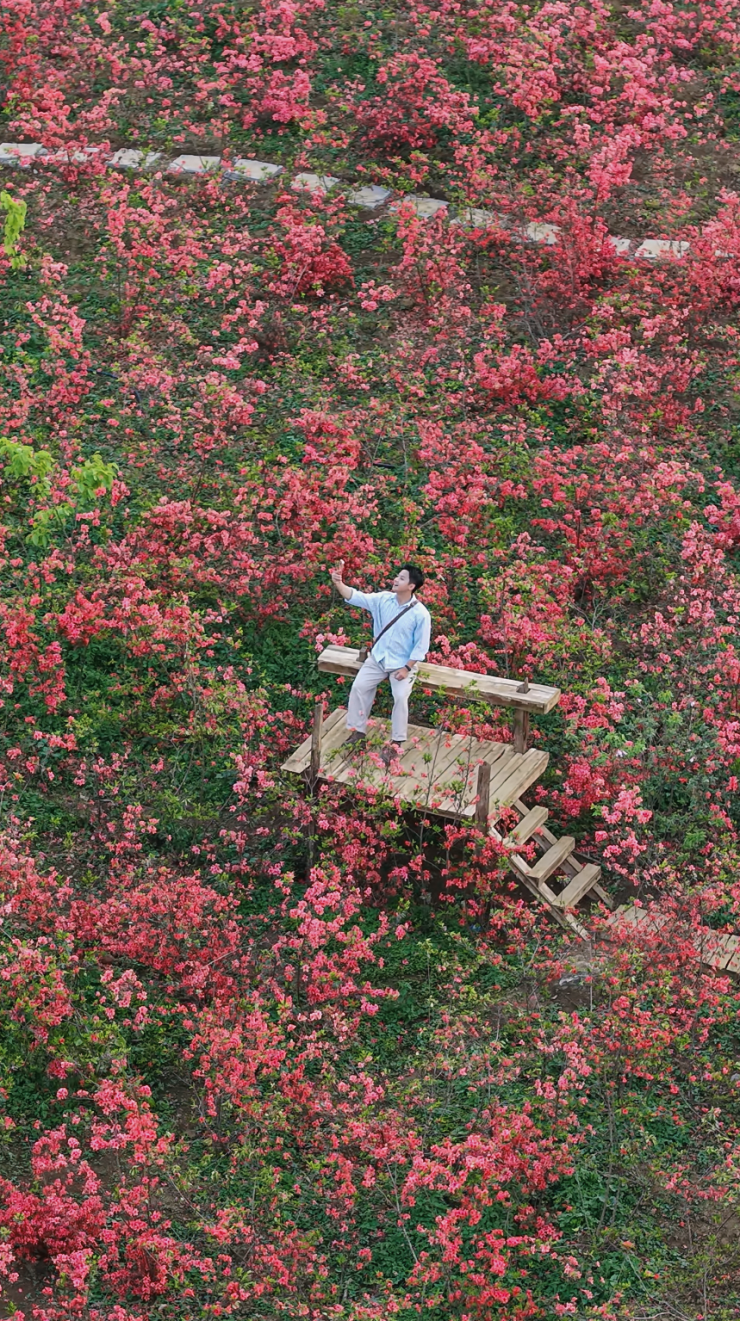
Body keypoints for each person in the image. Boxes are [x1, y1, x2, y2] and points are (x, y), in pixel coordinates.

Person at [329, 561, 432, 765]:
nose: (396, 580)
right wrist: (338, 582)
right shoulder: (383, 599)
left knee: (400, 696)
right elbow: (355, 596)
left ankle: (396, 742)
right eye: (397, 576)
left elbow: (421, 646)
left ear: (411, 586)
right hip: (378, 658)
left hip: (403, 663)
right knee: (359, 687)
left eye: (401, 578)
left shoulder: (421, 614)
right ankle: (358, 732)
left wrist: (407, 668)